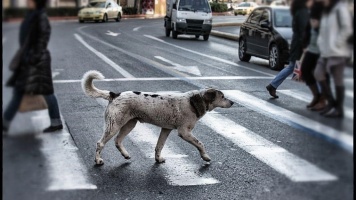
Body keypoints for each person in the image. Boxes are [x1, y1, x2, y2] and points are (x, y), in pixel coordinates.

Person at [3, 0, 63, 133]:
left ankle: (56, 121)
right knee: (19, 90)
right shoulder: (32, 15)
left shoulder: (40, 16)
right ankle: (5, 122)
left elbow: (43, 38)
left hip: (37, 61)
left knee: (45, 91)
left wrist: (33, 57)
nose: (28, 2)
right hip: (28, 58)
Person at [313, 0, 353, 118]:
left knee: (337, 79)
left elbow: (347, 28)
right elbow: (323, 31)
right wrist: (321, 43)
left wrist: (337, 43)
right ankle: (331, 103)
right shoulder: (327, 11)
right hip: (326, 52)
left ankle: (338, 108)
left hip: (337, 52)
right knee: (318, 73)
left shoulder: (340, 8)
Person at [266, 0, 313, 98]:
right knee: (311, 69)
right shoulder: (303, 12)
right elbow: (304, 31)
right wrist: (305, 45)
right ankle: (321, 96)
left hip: (298, 45)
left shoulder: (300, 11)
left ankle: (272, 85)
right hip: (300, 46)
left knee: (292, 67)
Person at [300, 0, 327, 110]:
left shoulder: (325, 9)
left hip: (323, 48)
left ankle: (323, 100)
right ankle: (316, 95)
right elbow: (308, 29)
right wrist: (305, 45)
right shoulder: (312, 10)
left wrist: (317, 24)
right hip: (311, 47)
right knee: (305, 70)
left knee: (322, 74)